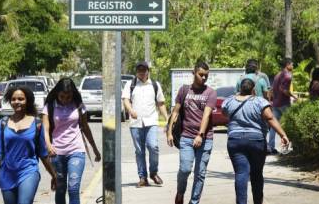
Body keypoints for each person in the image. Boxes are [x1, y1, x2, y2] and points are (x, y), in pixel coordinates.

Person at [222, 78, 290, 204]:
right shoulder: (259, 101)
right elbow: (270, 118)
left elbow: (225, 113)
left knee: (241, 174)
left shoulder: (230, 101)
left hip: (235, 140)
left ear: (240, 88)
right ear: (253, 89)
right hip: (256, 141)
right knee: (257, 174)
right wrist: (283, 135)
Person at [0, 86, 56, 204]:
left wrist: (54, 175)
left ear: (27, 101)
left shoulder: (37, 124)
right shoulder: (3, 124)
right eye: (13, 99)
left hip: (28, 171)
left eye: (21, 99)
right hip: (7, 175)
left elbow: (43, 154)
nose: (17, 102)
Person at [42, 78, 101, 204]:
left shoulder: (78, 105)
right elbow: (45, 129)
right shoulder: (49, 106)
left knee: (73, 189)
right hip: (56, 152)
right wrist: (48, 145)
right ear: (57, 93)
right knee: (60, 189)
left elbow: (85, 127)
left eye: (68, 97)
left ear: (73, 94)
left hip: (76, 151)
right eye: (62, 96)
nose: (65, 100)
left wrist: (94, 148)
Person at [167, 61, 217, 204]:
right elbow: (175, 112)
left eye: (206, 76)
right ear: (193, 72)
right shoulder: (184, 90)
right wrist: (169, 132)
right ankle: (180, 193)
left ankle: (194, 201)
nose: (204, 78)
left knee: (200, 174)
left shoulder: (211, 93)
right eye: (201, 75)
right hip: (186, 137)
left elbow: (206, 115)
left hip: (205, 139)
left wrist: (200, 135)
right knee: (185, 169)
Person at [122, 61, 169, 187]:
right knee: (139, 151)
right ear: (136, 72)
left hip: (151, 121)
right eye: (139, 71)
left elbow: (161, 103)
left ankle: (153, 172)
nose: (141, 73)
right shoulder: (130, 84)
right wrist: (130, 110)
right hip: (135, 123)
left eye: (144, 70)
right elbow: (125, 100)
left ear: (148, 71)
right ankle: (143, 177)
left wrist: (167, 119)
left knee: (153, 147)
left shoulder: (155, 85)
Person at [268, 58, 296, 154]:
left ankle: (270, 146)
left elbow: (271, 90)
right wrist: (293, 96)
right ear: (287, 65)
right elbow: (284, 90)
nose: (293, 66)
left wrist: (271, 100)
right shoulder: (287, 76)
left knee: (273, 126)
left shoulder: (277, 76)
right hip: (284, 104)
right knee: (289, 124)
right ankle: (289, 147)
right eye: (292, 64)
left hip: (276, 104)